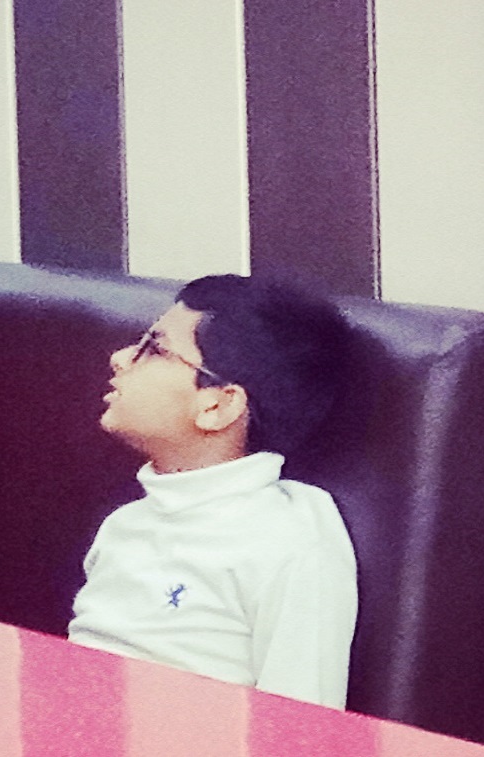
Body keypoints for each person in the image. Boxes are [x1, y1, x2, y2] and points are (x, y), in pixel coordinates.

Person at [67, 275, 357, 708]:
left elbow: (304, 719)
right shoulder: (124, 525)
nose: (121, 358)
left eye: (155, 349)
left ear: (217, 405)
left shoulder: (291, 537)